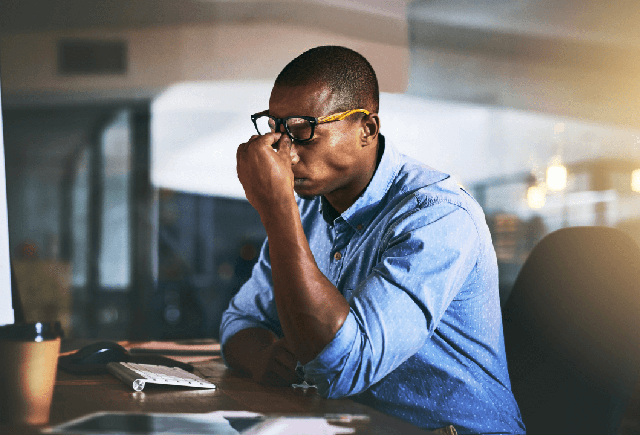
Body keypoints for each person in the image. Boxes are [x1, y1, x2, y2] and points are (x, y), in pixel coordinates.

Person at [220, 46, 525, 434]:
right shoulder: (312, 211)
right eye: (277, 130)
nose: (286, 154)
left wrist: (278, 209)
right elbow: (239, 320)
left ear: (367, 129)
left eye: (303, 132)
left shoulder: (438, 217)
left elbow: (341, 367)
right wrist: (263, 355)